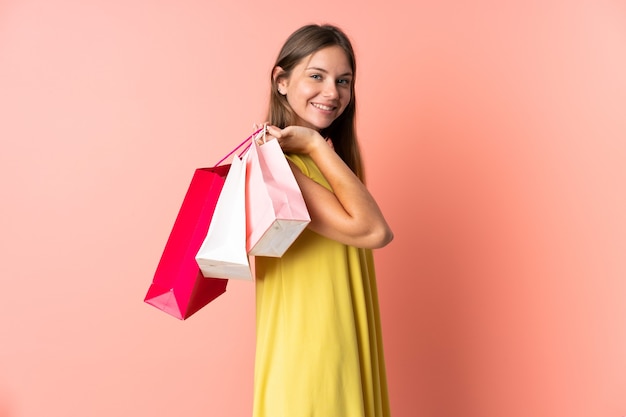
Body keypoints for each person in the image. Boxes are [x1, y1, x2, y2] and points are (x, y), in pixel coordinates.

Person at [253, 24, 394, 417]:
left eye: (343, 81)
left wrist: (319, 150)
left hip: (336, 344)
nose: (332, 92)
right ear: (281, 81)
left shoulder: (322, 165)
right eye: (316, 76)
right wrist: (314, 143)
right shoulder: (279, 166)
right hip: (313, 355)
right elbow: (373, 231)